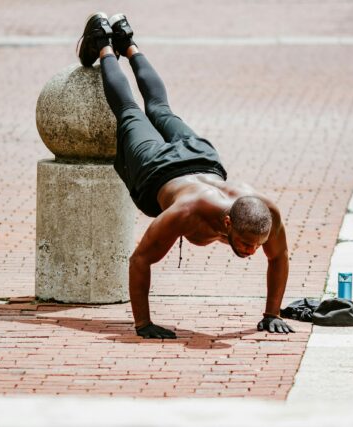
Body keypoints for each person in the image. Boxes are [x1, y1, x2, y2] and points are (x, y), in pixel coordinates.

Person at [77, 12, 295, 338]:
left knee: (161, 110)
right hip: (157, 167)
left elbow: (278, 256)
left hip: (202, 158)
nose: (252, 251)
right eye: (248, 245)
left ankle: (129, 41)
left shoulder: (267, 213)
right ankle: (105, 42)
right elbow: (139, 260)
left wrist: (271, 314)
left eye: (255, 245)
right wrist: (143, 324)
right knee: (130, 111)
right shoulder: (185, 213)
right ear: (227, 223)